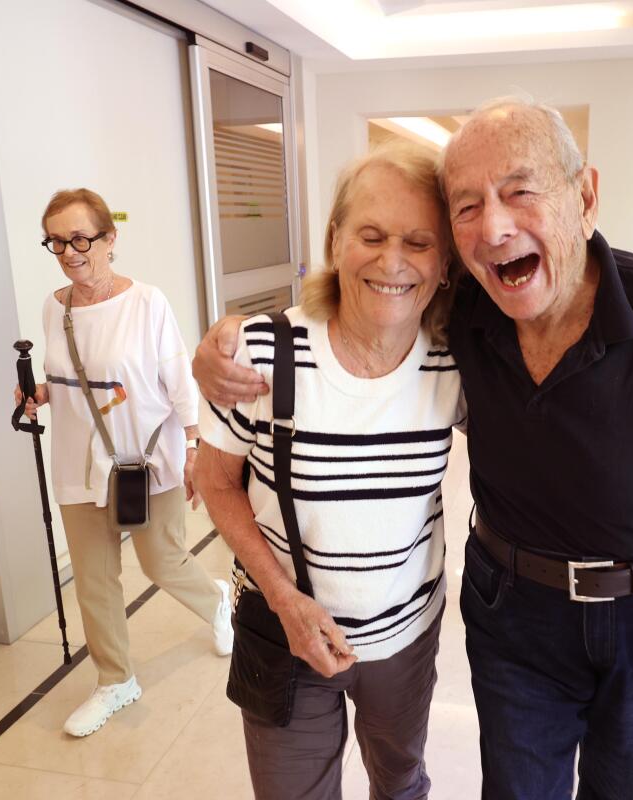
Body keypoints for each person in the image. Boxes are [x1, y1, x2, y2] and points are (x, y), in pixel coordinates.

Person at [194, 99, 633, 800]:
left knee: (623, 788)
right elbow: (352, 327)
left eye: (520, 191)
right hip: (515, 612)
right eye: (467, 206)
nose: (494, 226)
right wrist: (220, 346)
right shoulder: (466, 320)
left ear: (585, 197)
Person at [196, 143, 464, 800]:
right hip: (284, 630)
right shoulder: (259, 354)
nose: (393, 261)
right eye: (371, 235)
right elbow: (214, 481)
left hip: (405, 635)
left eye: (418, 242)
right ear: (336, 240)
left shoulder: (456, 366)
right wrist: (284, 601)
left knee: (400, 782)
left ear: (445, 261)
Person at [14, 188, 233, 738]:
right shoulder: (53, 306)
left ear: (110, 240)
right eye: (57, 241)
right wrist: (40, 392)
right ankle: (115, 680)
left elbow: (178, 379)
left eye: (81, 238)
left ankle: (218, 604)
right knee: (94, 579)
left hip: (144, 457)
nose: (69, 251)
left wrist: (193, 448)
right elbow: (76, 379)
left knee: (161, 560)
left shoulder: (146, 303)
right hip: (77, 463)